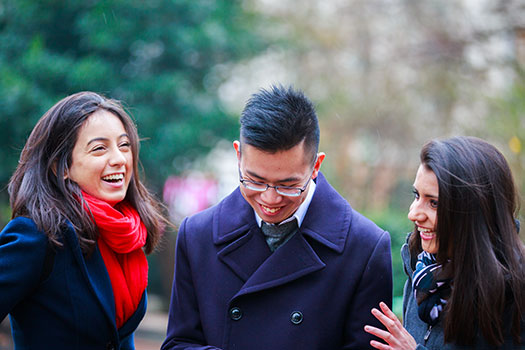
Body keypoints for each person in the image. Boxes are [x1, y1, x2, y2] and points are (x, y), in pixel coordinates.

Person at [161, 85, 393, 350]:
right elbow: (179, 344)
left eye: (288, 185)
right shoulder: (197, 235)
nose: (270, 200)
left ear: (316, 165)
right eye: (255, 181)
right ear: (238, 155)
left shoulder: (364, 247)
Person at [0, 91, 169, 350]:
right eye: (99, 148)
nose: (119, 159)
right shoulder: (37, 235)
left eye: (124, 145)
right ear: (61, 167)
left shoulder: (126, 234)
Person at [365, 136, 525, 349]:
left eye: (434, 203)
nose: (414, 214)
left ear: (473, 212)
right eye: (416, 195)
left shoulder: (513, 294)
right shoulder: (420, 270)